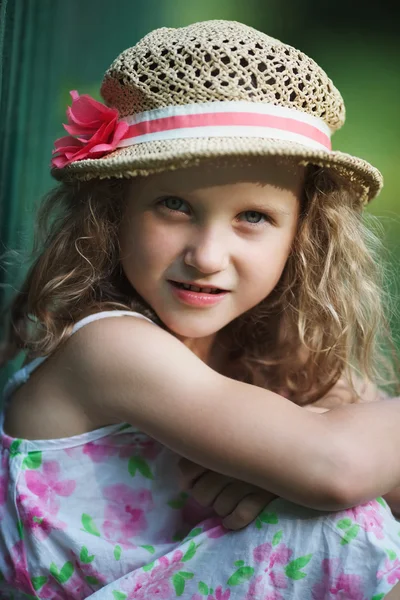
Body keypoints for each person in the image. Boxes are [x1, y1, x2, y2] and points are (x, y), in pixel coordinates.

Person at [0, 18, 400, 600]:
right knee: (337, 527)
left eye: (253, 217)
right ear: (115, 214)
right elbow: (338, 470)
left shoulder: (271, 353)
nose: (208, 256)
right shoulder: (108, 346)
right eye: (175, 206)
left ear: (302, 238)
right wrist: (321, 453)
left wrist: (315, 455)